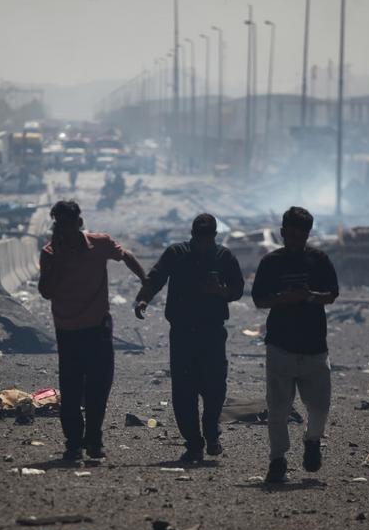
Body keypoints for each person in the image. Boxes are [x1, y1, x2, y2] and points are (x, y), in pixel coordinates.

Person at [38, 200, 148, 461]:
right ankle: (73, 444)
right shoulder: (50, 252)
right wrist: (58, 262)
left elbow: (126, 256)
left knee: (99, 386)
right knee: (71, 390)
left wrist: (146, 282)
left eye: (69, 224)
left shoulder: (99, 244)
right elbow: (45, 292)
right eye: (60, 225)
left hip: (98, 327)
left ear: (79, 223)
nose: (65, 230)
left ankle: (94, 440)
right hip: (67, 330)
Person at [135, 214, 244, 463]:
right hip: (183, 333)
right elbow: (156, 278)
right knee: (184, 391)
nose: (203, 244)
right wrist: (143, 299)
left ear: (214, 236)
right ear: (192, 235)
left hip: (212, 332)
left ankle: (211, 433)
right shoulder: (177, 253)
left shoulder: (224, 257)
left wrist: (219, 291)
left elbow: (237, 289)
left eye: (207, 239)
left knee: (215, 387)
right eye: (199, 239)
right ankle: (194, 443)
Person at [251, 206, 338, 483]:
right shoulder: (271, 262)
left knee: (320, 405)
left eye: (302, 236)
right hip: (281, 344)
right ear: (283, 233)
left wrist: (309, 296)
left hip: (314, 345)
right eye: (292, 235)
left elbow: (331, 294)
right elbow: (259, 299)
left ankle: (312, 440)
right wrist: (282, 299)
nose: (296, 241)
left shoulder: (319, 260)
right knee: (278, 409)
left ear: (308, 235)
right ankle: (277, 460)